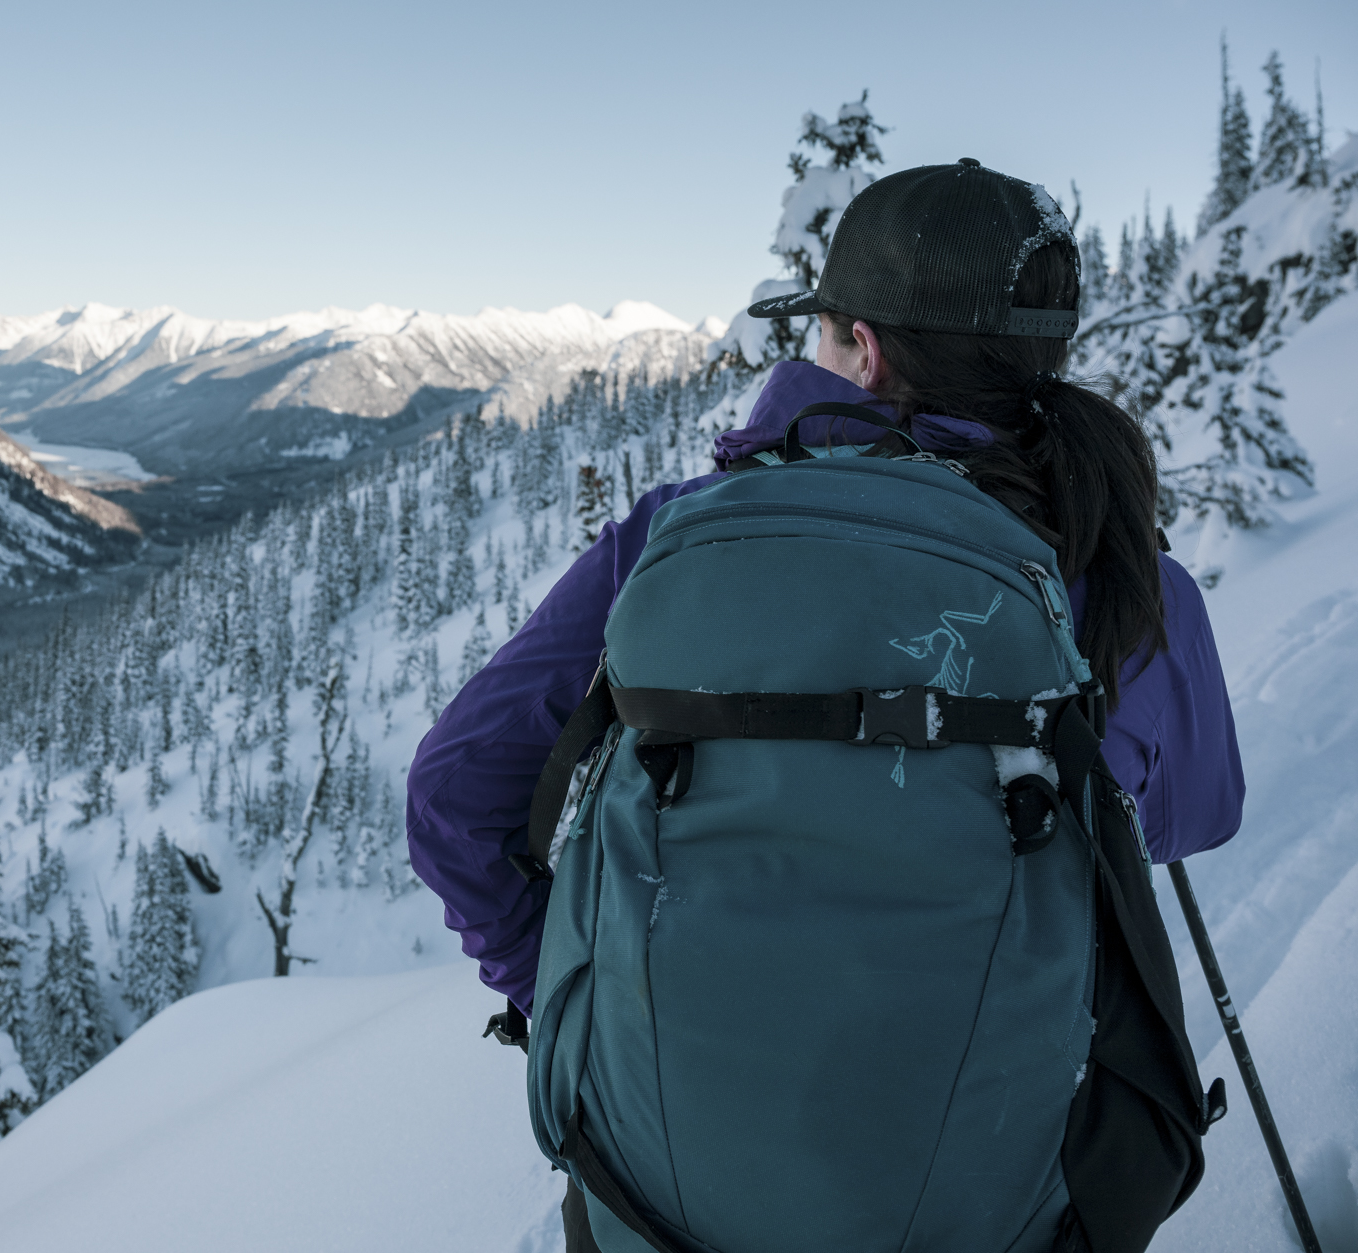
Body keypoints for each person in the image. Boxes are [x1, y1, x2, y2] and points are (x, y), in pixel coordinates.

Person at [406, 159, 1244, 1252]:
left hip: (660, 1190)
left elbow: (452, 792)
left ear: (862, 349)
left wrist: (565, 987)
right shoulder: (1125, 576)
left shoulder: (680, 532)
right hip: (991, 1196)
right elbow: (1188, 817)